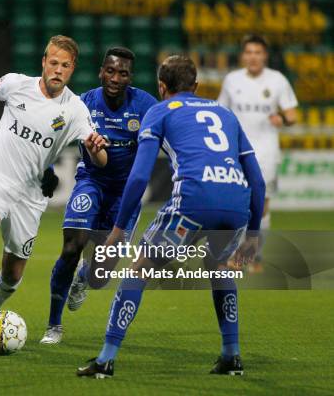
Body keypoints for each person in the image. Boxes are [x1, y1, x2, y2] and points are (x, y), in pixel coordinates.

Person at [76, 55, 265, 378]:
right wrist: (254, 234)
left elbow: (138, 177)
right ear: (197, 86)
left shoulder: (159, 111)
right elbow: (257, 180)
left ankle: (106, 360)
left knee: (138, 271)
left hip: (192, 202)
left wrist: (119, 229)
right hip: (236, 204)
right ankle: (231, 355)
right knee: (218, 268)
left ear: (162, 87)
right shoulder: (226, 113)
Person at [0, 35, 108, 337]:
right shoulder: (17, 84)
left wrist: (96, 148)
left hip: (30, 194)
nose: (57, 69)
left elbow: (102, 159)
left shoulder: (75, 109)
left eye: (65, 65)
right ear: (43, 62)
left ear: (72, 70)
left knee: (13, 274)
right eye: (53, 62)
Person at [40, 47, 157, 345]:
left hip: (126, 193)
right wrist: (48, 169)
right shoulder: (83, 103)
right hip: (91, 181)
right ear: (101, 71)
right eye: (110, 71)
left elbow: (170, 138)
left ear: (131, 77)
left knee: (100, 276)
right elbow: (52, 136)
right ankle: (54, 325)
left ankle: (86, 276)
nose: (115, 78)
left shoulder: (145, 106)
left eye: (123, 73)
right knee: (71, 247)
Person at [218, 34, 298, 272]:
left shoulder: (278, 80)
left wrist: (281, 117)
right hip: (237, 152)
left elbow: (293, 116)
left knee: (261, 205)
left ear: (265, 56)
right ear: (243, 56)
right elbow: (222, 112)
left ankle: (251, 257)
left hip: (266, 151)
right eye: (249, 52)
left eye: (258, 52)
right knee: (234, 203)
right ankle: (232, 253)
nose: (253, 57)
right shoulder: (232, 80)